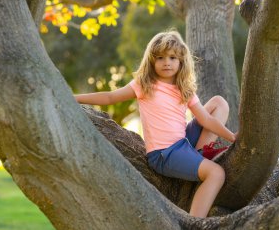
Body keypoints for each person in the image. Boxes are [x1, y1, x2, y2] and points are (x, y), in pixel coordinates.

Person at [74, 30, 236, 218]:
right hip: (164, 154)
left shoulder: (184, 89)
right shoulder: (145, 85)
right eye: (160, 57)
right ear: (151, 61)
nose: (166, 62)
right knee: (216, 174)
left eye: (172, 57)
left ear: (181, 61)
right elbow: (110, 96)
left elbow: (205, 120)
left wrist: (232, 137)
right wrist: (73, 97)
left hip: (183, 142)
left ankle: (199, 155)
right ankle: (195, 222)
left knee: (218, 103)